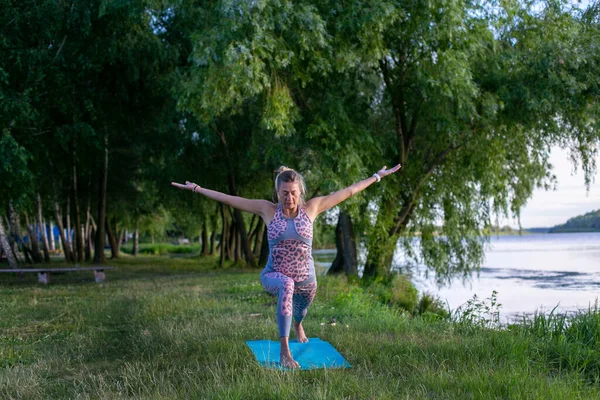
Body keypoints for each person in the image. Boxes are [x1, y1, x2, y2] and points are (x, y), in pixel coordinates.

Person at [171, 164, 401, 368]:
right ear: (277, 193)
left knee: (300, 312)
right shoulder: (267, 210)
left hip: (307, 281)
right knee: (286, 284)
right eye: (284, 193)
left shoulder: (312, 207)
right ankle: (284, 352)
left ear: (299, 191)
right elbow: (230, 199)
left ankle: (298, 326)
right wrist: (196, 189)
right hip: (274, 274)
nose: (289, 198)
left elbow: (349, 191)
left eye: (293, 193)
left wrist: (377, 176)